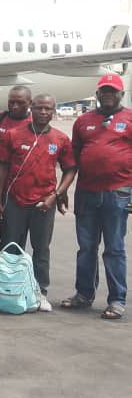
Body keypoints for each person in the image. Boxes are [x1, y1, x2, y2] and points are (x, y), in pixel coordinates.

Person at [0, 93, 77, 311]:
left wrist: (56, 194)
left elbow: (70, 169)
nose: (43, 112)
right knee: (10, 246)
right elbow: (2, 165)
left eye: (48, 109)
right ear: (31, 108)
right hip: (15, 201)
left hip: (43, 203)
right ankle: (5, 288)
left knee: (41, 249)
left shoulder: (60, 139)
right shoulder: (13, 135)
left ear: (54, 111)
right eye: (39, 108)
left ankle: (40, 291)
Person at [61, 74, 132, 319]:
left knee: (114, 248)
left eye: (113, 91)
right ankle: (84, 294)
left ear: (121, 94)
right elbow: (74, 156)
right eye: (104, 91)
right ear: (98, 94)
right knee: (86, 247)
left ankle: (116, 299)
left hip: (119, 193)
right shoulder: (83, 121)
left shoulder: (130, 119)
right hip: (87, 193)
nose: (108, 94)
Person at [0, 86, 33, 161]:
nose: (15, 106)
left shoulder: (35, 123)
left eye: (20, 103)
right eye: (11, 102)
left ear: (30, 103)